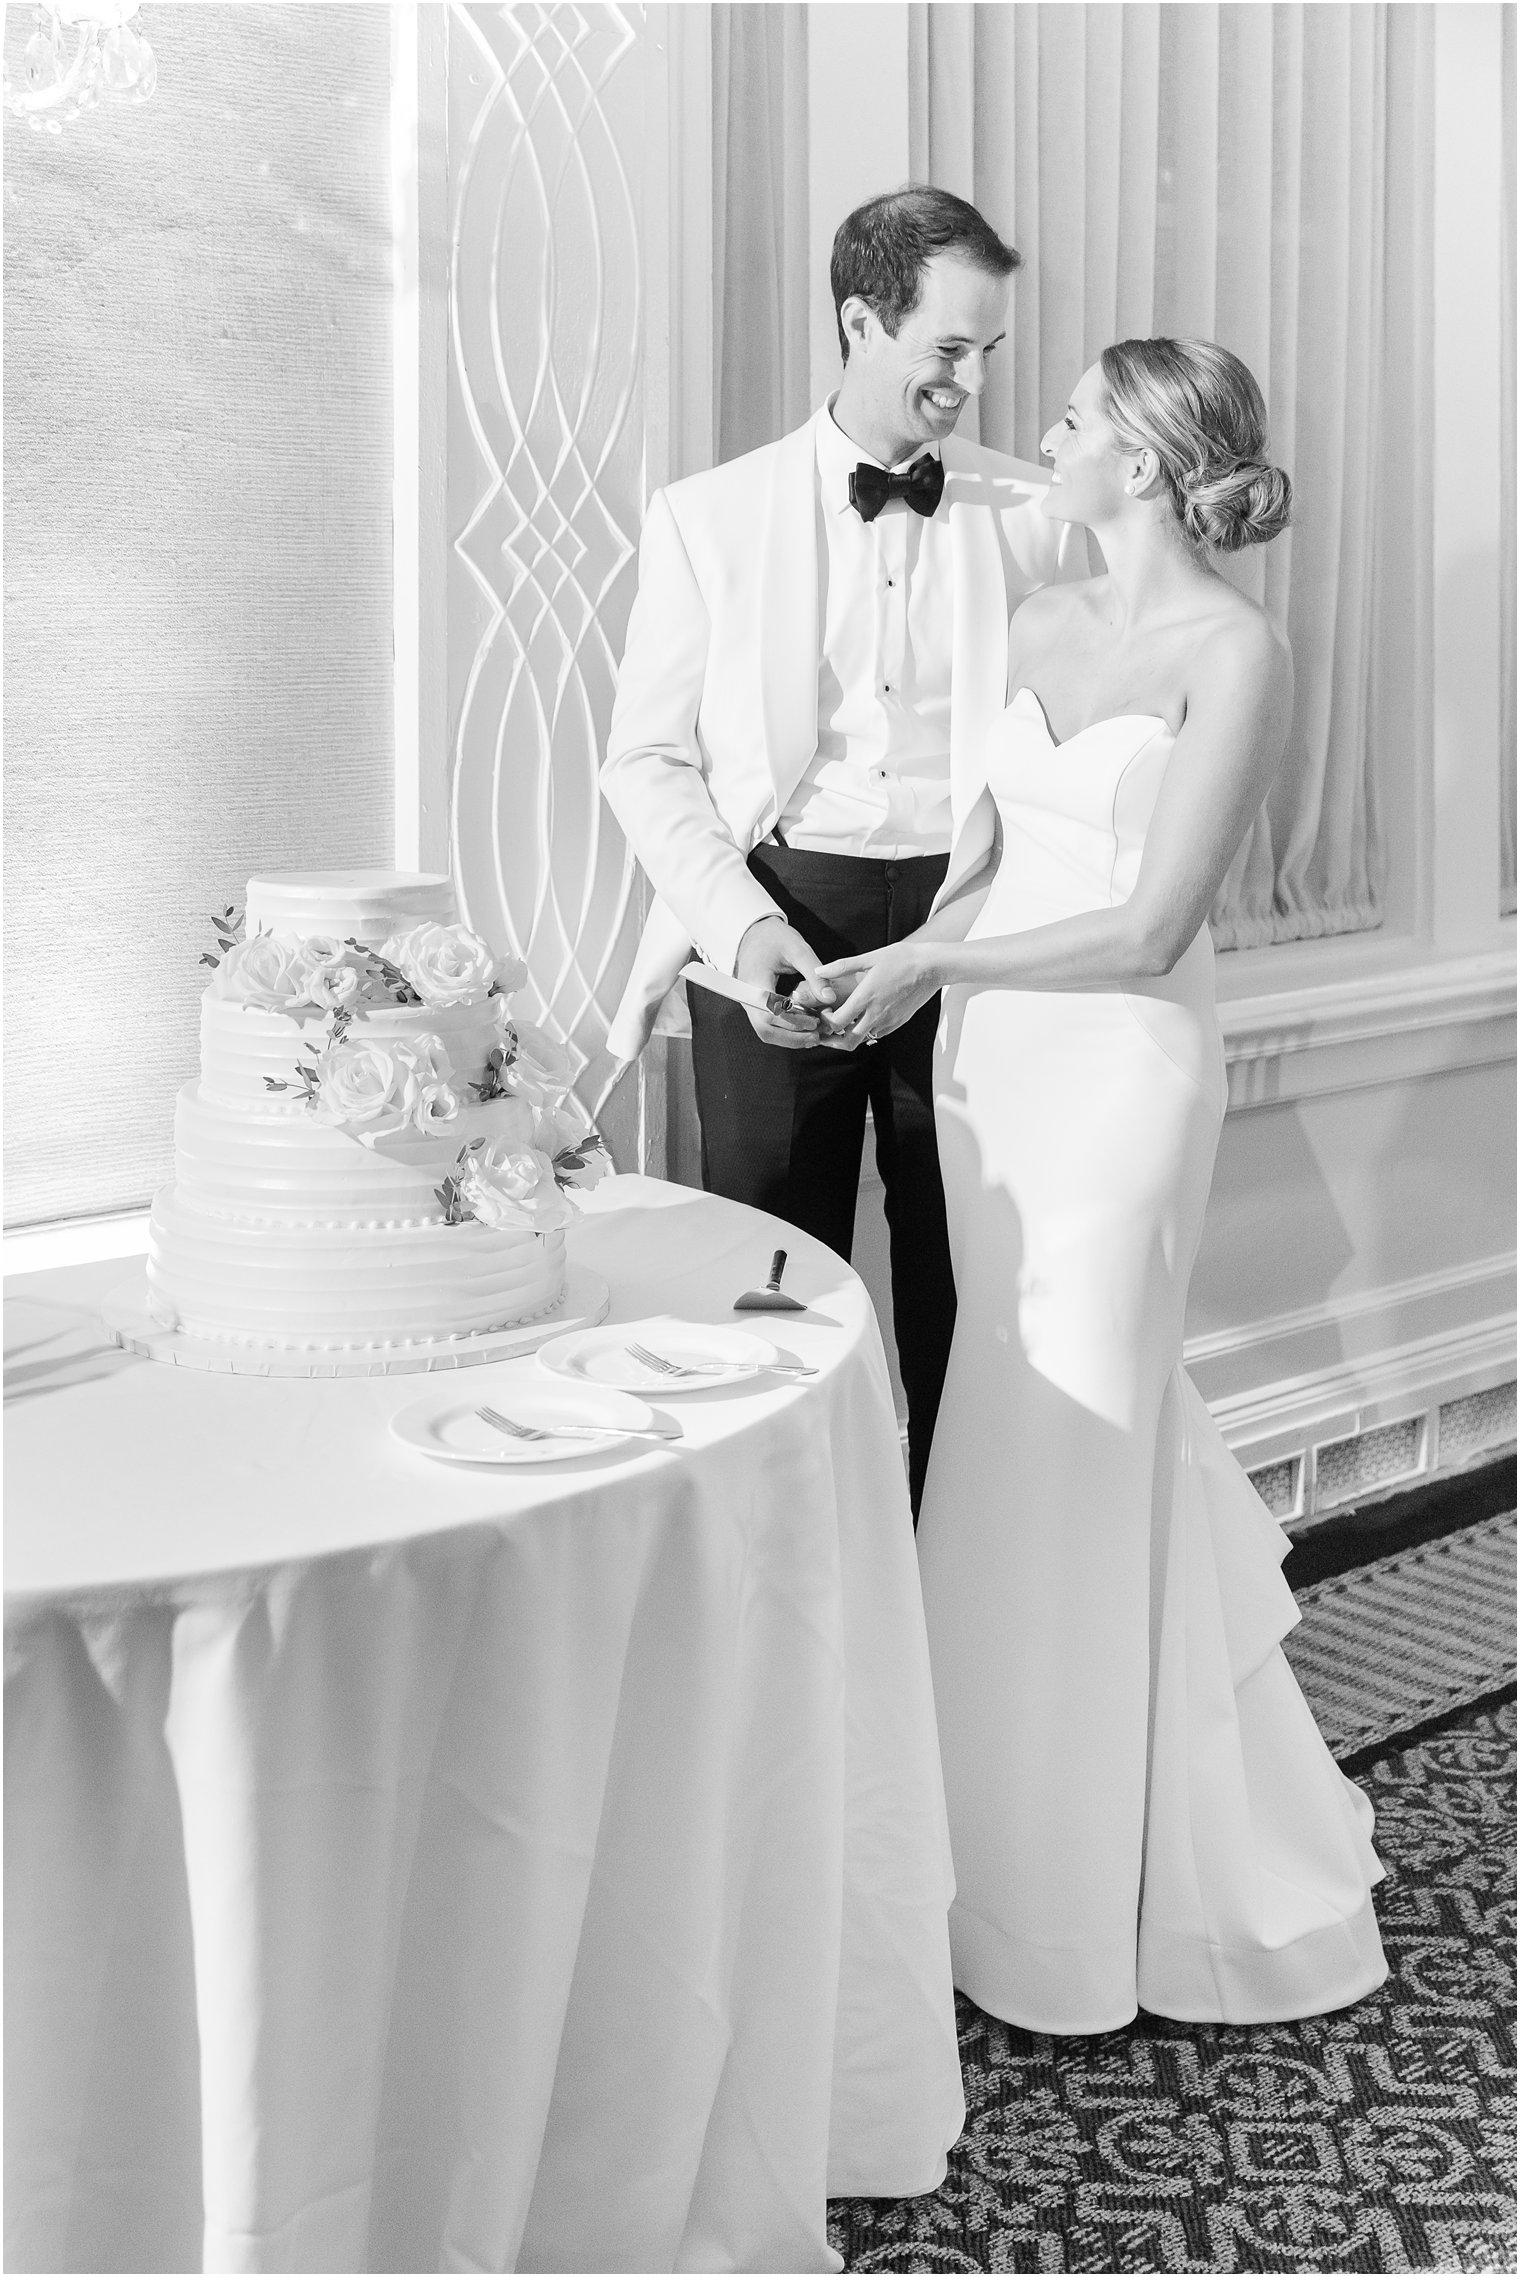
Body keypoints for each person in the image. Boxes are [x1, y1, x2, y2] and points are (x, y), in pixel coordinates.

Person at [814, 338, 1388, 2031]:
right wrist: (905, 967)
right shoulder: (1043, 622)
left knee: (1085, 1424)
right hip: (995, 1067)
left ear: (1139, 463)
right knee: (1006, 1426)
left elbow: (1149, 928)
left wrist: (946, 973)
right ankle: (977, 1861)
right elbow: (986, 858)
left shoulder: (1237, 651)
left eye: (1068, 420)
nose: (1041, 439)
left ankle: (1088, 1895)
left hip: (1125, 1079)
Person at [599, 186, 1084, 1515]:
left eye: (989, 351)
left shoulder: (1037, 512)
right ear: (860, 321)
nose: (973, 381)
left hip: (970, 921)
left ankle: (950, 1577)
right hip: (778, 910)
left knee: (968, 1278)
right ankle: (773, 1580)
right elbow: (646, 760)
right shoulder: (708, 516)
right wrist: (742, 929)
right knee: (767, 1274)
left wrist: (962, 937)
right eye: (947, 349)